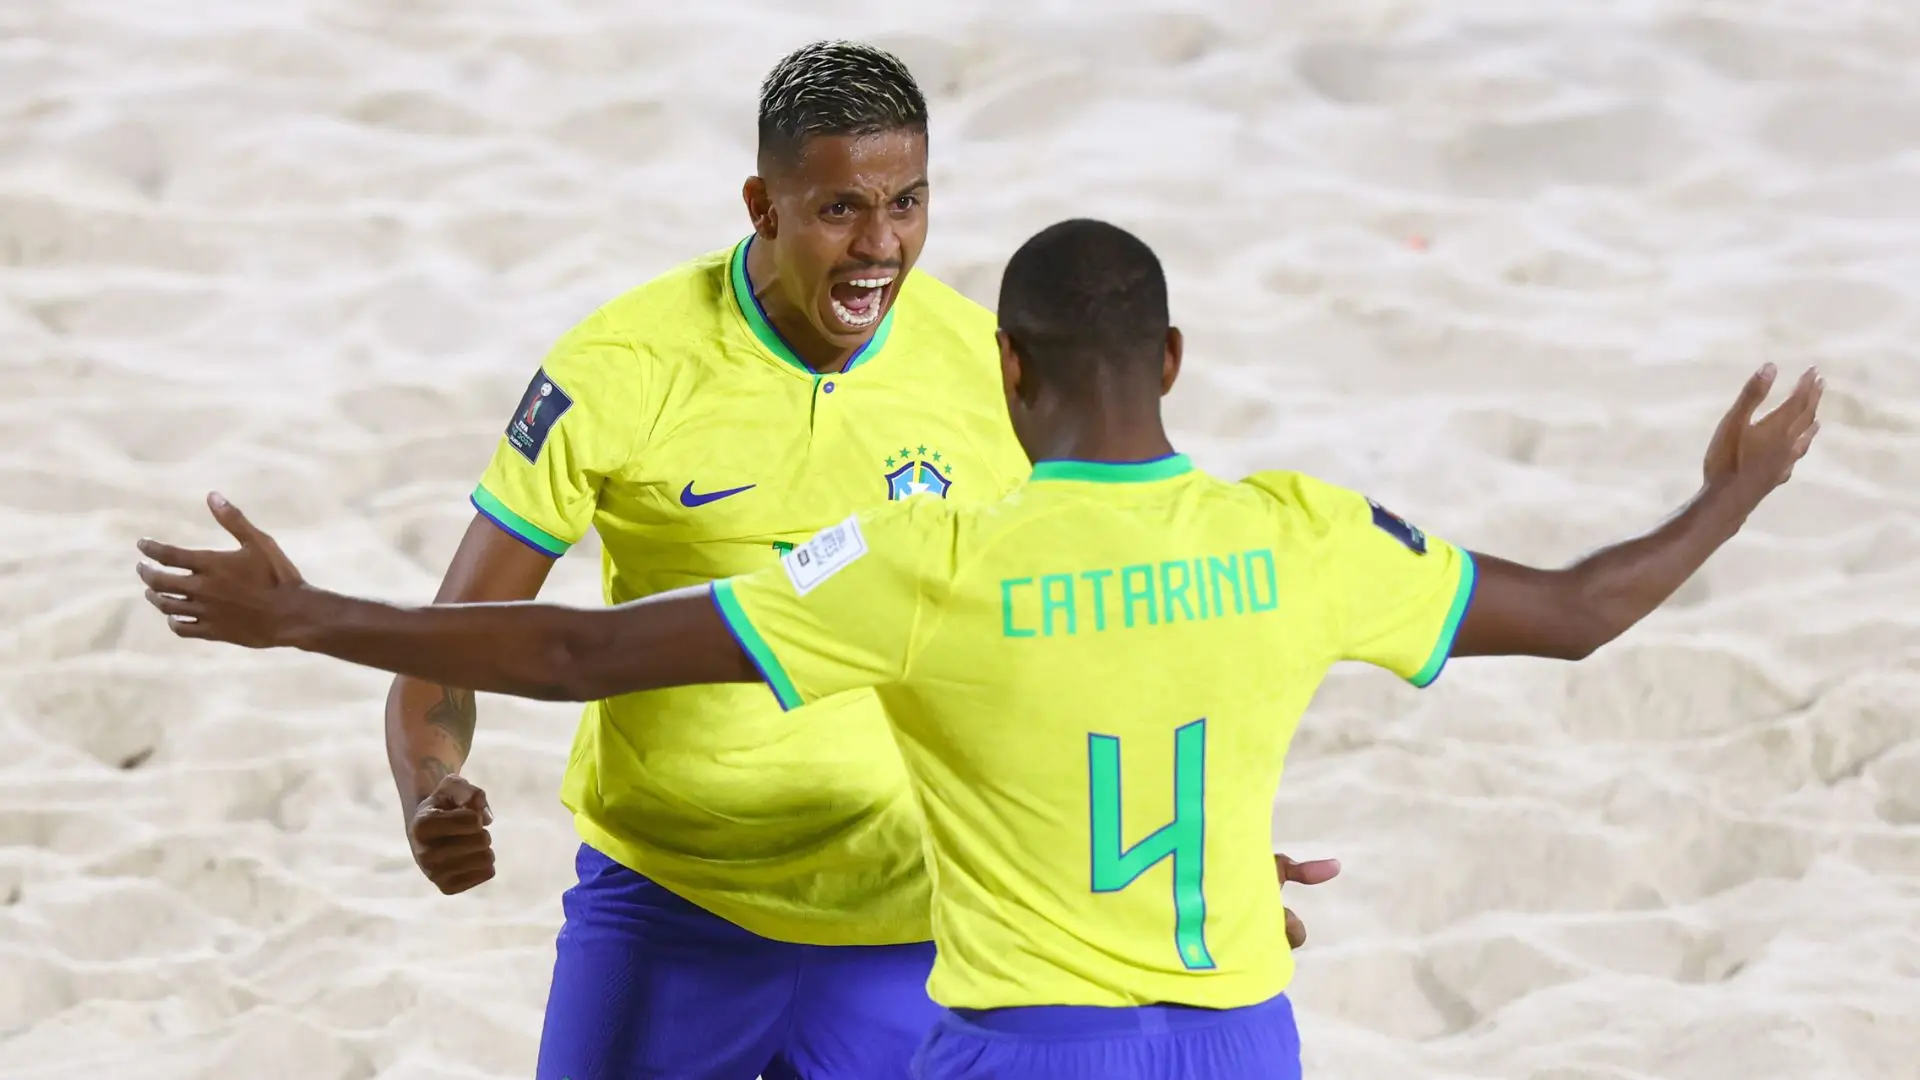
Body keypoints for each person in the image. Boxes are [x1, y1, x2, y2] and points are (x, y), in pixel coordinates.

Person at [136, 218, 1823, 1078]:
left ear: (1002, 375)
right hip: (1245, 1036)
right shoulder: (1301, 533)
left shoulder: (931, 561)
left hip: (1030, 1048)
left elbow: (582, 657)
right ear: (1174, 353)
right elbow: (1593, 610)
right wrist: (1731, 493)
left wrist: (307, 620)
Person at [368, 38, 1336, 1080]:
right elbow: (448, 649)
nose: (881, 246)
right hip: (670, 910)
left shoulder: (990, 368)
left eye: (908, 204)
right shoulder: (620, 369)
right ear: (764, 205)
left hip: (920, 923)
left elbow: (1103, 632)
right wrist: (431, 787)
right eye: (841, 211)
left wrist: (1196, 871)